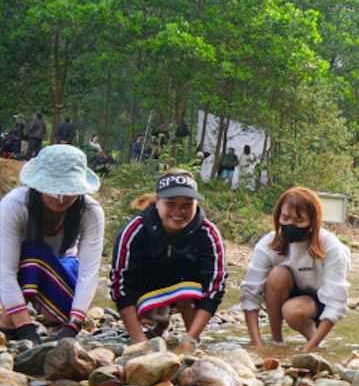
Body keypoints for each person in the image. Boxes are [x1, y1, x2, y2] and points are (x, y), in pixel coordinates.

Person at [109, 170, 228, 350]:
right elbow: (121, 284)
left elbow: (216, 287)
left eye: (187, 205)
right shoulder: (135, 230)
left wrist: (192, 339)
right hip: (146, 290)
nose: (178, 211)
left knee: (187, 289)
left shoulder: (208, 233)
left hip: (188, 290)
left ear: (196, 204)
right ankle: (159, 323)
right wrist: (137, 339)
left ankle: (192, 336)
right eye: (170, 203)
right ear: (157, 201)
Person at [0, 146, 105, 343]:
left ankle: (15, 322)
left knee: (35, 256)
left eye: (68, 190)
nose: (60, 197)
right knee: (31, 253)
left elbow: (89, 272)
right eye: (53, 188)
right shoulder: (15, 205)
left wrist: (75, 323)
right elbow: (5, 270)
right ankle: (10, 321)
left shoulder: (90, 212)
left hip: (63, 277)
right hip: (24, 269)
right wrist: (26, 328)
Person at [240, 187, 351, 352]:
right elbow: (250, 293)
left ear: (313, 222)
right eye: (285, 218)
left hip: (319, 301)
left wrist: (307, 351)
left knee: (292, 311)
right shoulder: (267, 244)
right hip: (286, 291)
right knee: (277, 274)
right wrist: (258, 347)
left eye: (299, 221)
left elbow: (336, 301)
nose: (290, 225)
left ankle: (314, 343)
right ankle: (276, 340)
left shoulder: (332, 247)